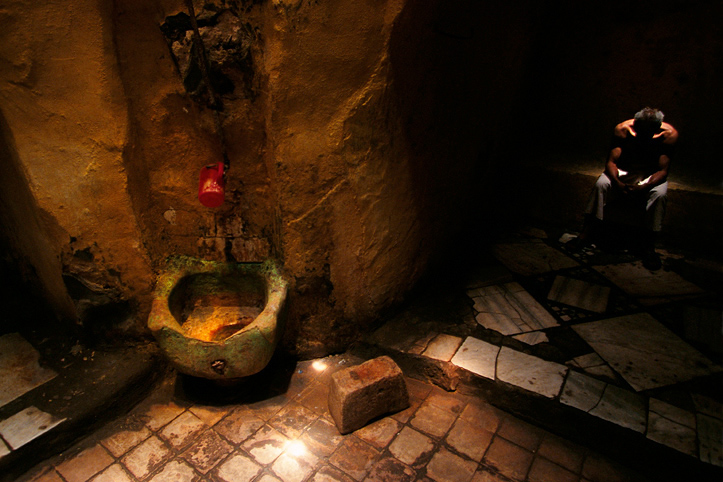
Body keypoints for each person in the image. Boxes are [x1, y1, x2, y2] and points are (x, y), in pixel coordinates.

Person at [570, 107, 678, 270]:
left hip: (650, 174)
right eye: (640, 130)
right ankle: (586, 232)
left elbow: (663, 171)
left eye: (648, 133)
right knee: (601, 184)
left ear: (657, 129)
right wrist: (617, 182)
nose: (642, 135)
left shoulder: (668, 135)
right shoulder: (623, 130)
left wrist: (646, 186)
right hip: (623, 170)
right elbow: (611, 162)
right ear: (635, 125)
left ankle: (649, 245)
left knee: (659, 194)